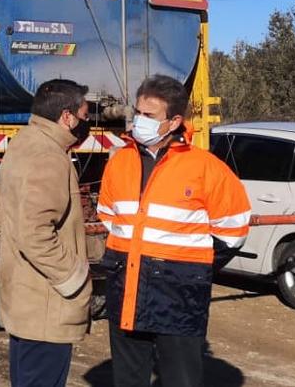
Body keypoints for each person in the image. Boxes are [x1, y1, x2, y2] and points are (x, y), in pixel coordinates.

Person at [97, 75, 251, 387]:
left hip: (178, 298)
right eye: (137, 113)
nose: (139, 121)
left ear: (174, 121)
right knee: (128, 379)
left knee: (182, 379)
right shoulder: (119, 162)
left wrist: (188, 269)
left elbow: (233, 231)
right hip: (126, 290)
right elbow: (109, 217)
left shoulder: (206, 168)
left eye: (149, 116)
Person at [0, 79, 93, 387]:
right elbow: (35, 233)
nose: (86, 122)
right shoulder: (49, 156)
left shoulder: (22, 143)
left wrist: (13, 261)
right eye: (84, 115)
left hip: (25, 301)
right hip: (46, 305)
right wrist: (73, 276)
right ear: (67, 117)